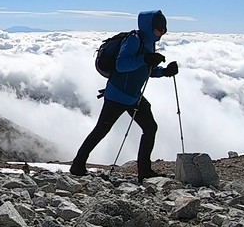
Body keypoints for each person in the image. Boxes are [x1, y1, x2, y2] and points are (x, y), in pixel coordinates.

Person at [70, 9, 178, 180]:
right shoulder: (134, 40)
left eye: (164, 29)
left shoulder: (149, 43)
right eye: (159, 29)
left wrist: (165, 72)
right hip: (117, 95)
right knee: (102, 130)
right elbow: (122, 65)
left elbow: (145, 70)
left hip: (133, 96)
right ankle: (77, 166)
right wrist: (145, 59)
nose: (162, 33)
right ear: (150, 27)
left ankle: (144, 171)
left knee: (150, 127)